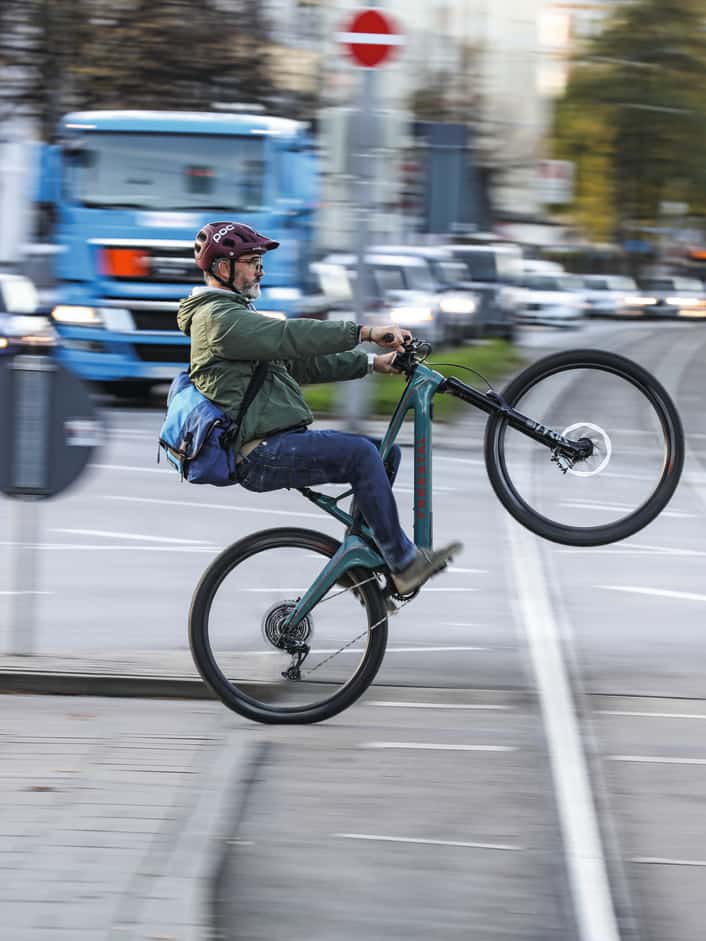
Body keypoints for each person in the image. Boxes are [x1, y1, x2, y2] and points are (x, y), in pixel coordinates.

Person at [176, 221, 462, 594]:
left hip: (276, 441)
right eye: (251, 261)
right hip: (258, 451)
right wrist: (362, 332)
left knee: (383, 454)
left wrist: (371, 363)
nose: (259, 269)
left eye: (260, 261)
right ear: (222, 268)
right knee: (360, 455)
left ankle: (358, 557)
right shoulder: (219, 320)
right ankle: (403, 562)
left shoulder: (235, 316)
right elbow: (290, 337)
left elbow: (298, 365)